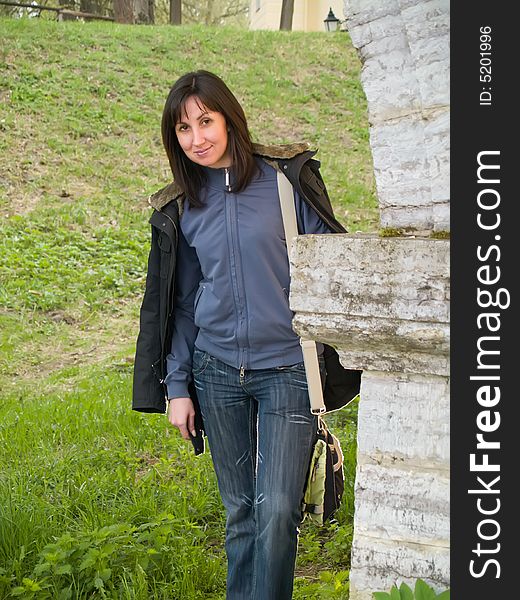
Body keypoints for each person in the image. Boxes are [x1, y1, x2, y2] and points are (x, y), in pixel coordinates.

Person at [132, 70, 347, 600]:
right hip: (216, 370)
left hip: (287, 370)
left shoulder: (283, 181)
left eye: (206, 121)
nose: (197, 139)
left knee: (276, 510)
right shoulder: (182, 205)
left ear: (230, 118)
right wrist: (177, 387)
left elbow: (330, 269)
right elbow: (180, 305)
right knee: (242, 514)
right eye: (183, 129)